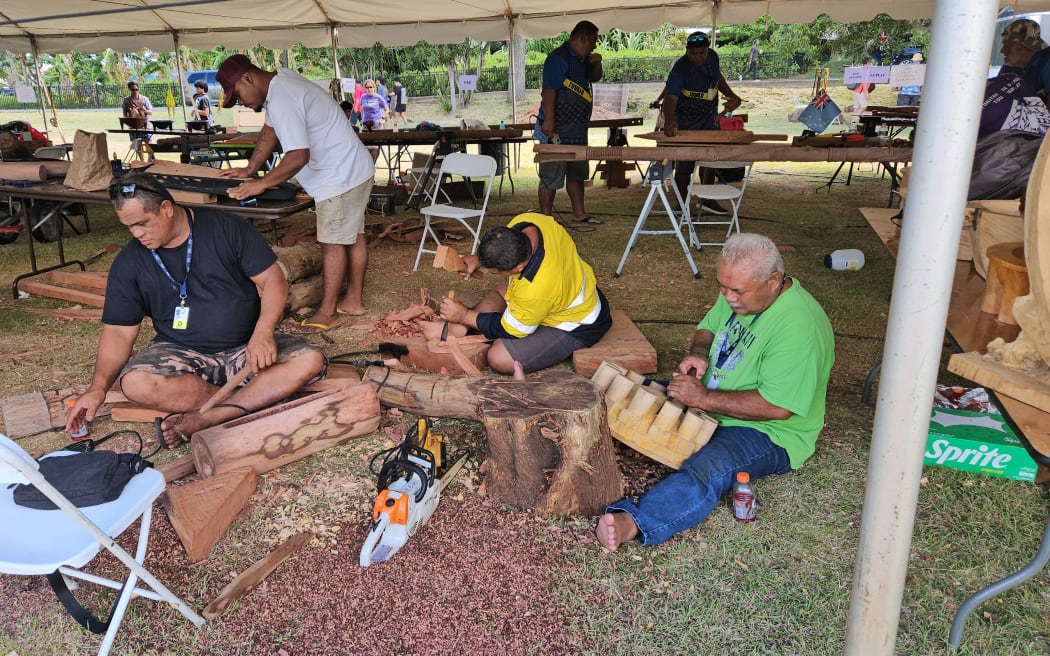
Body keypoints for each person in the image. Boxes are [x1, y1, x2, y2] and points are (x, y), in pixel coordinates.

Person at [595, 233, 835, 551]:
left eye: (736, 291)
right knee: (626, 395)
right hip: (712, 399)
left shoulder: (799, 327)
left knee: (710, 468)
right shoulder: (742, 291)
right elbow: (708, 327)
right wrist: (698, 353)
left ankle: (634, 522)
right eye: (722, 286)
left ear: (774, 280)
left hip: (769, 431)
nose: (728, 297)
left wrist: (703, 399)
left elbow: (778, 407)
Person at [64, 171, 327, 448]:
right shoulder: (130, 262)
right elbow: (118, 331)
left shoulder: (226, 228)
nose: (136, 234)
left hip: (246, 345)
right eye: (129, 227)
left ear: (166, 208)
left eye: (142, 223)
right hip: (181, 351)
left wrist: (263, 333)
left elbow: (272, 280)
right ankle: (251, 399)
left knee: (309, 360)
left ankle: (212, 415)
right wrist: (97, 389)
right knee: (135, 384)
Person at [216, 54, 376, 329]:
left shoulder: (282, 98)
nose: (239, 101)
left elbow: (299, 155)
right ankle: (353, 301)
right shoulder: (281, 82)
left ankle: (328, 312)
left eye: (238, 93)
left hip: (340, 176)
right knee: (353, 236)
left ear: (248, 78)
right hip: (353, 168)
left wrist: (261, 183)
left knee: (333, 243)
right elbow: (270, 130)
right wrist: (250, 169)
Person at [436, 211, 612, 375]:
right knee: (500, 290)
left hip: (578, 323)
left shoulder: (537, 287)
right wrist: (479, 259)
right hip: (574, 291)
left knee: (498, 357)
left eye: (496, 270)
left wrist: (464, 315)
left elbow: (511, 330)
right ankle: (469, 326)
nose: (494, 272)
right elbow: (502, 244)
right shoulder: (531, 222)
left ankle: (467, 326)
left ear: (519, 267)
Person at [662, 31, 743, 209]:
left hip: (709, 115)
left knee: (710, 158)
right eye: (693, 54)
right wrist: (669, 121)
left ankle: (707, 199)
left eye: (702, 53)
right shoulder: (680, 69)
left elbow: (717, 78)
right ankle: (681, 205)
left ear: (707, 50)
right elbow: (671, 97)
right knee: (685, 164)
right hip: (685, 119)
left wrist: (732, 96)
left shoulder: (713, 57)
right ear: (686, 51)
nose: (698, 57)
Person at [536, 20, 603, 225]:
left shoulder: (584, 61)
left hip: (578, 129)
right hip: (556, 128)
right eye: (593, 41)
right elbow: (549, 90)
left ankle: (579, 213)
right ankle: (546, 219)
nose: (594, 46)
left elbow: (597, 78)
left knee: (577, 173)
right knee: (551, 174)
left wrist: (597, 63)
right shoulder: (558, 58)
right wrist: (549, 120)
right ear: (583, 37)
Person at [1000, 18, 1050, 103]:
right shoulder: (1011, 63)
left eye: (1007, 46)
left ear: (1025, 48)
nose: (1002, 50)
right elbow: (996, 92)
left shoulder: (1046, 61)